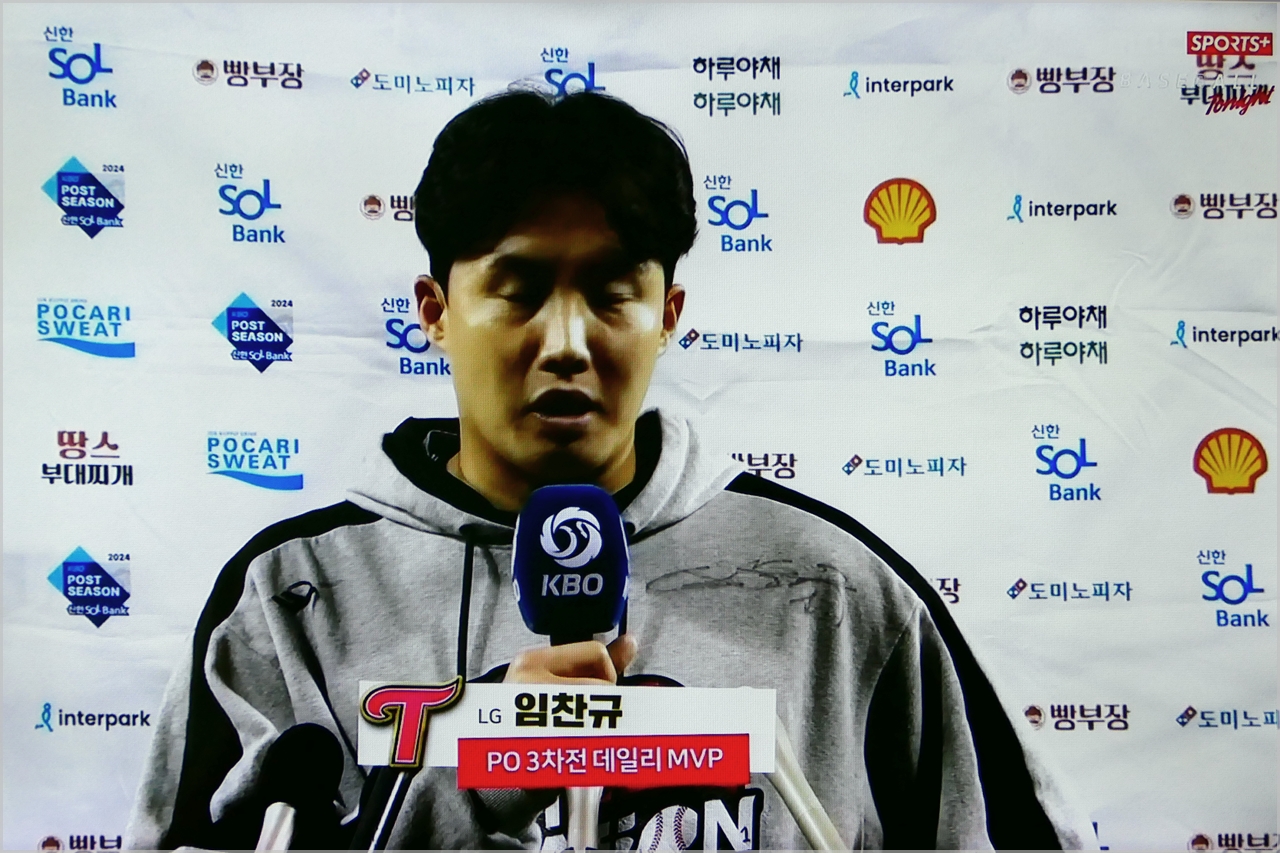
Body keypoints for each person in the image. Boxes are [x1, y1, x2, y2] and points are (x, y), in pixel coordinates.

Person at [127, 89, 1094, 850]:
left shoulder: (837, 587)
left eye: (611, 292)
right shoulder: (291, 596)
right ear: (435, 311)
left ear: (668, 315)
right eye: (518, 290)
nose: (566, 341)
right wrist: (467, 775)